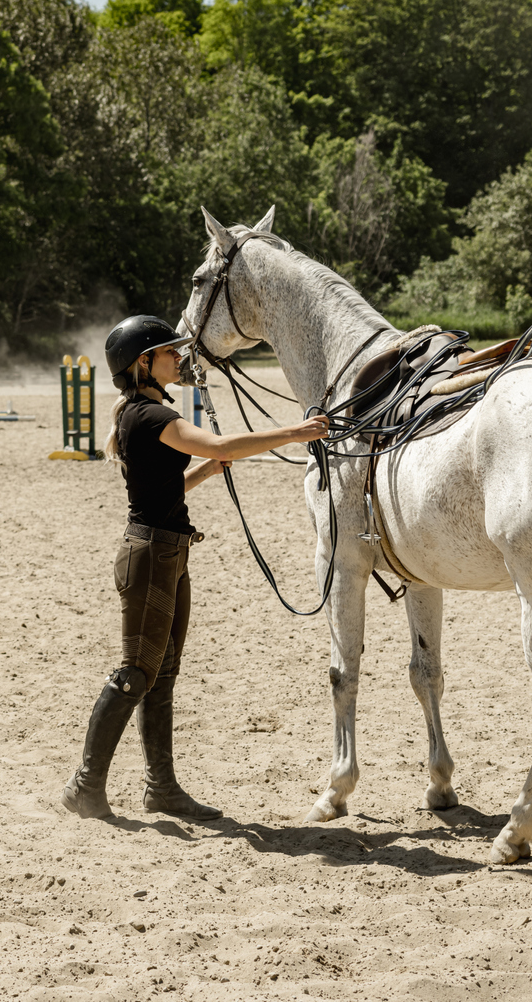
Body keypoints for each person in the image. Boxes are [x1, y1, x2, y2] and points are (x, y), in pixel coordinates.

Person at [59, 314, 331, 820]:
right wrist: (297, 430)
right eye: (168, 352)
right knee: (135, 672)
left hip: (168, 553)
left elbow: (164, 489)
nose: (177, 357)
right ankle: (85, 785)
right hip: (150, 557)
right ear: (144, 363)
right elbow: (222, 444)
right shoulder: (149, 417)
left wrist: (205, 470)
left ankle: (160, 789)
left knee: (161, 673)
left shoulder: (148, 414)